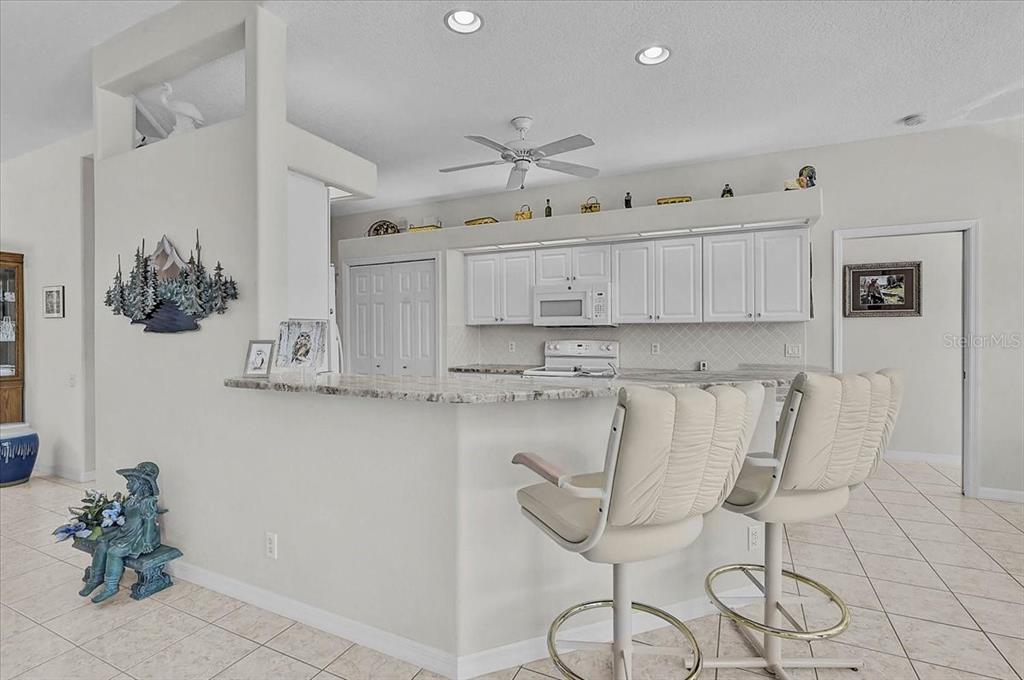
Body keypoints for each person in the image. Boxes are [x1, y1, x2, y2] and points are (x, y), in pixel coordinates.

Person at [80, 462, 162, 603]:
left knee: (114, 552)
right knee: (102, 543)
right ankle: (96, 578)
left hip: (139, 536)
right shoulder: (131, 499)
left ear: (142, 484)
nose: (128, 485)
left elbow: (149, 523)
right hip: (126, 531)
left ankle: (111, 586)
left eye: (131, 482)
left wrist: (147, 542)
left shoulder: (147, 502)